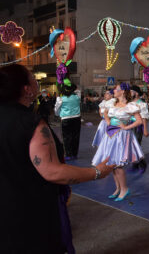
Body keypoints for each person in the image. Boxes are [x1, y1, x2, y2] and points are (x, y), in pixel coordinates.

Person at [0, 64, 115, 254]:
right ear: (26, 89)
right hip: (27, 213)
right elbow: (52, 171)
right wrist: (96, 172)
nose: (37, 83)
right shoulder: (29, 123)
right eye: (32, 79)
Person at [92, 83, 145, 201]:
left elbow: (139, 121)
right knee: (112, 164)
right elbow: (104, 113)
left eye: (116, 89)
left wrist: (126, 127)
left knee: (118, 165)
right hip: (110, 135)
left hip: (121, 136)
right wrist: (108, 122)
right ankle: (118, 188)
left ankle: (124, 189)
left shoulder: (130, 105)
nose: (114, 91)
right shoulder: (112, 103)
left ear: (123, 91)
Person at [54, 82, 82, 160]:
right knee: (75, 136)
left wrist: (59, 114)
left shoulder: (60, 99)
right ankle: (74, 154)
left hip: (65, 119)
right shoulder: (77, 97)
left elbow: (56, 110)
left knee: (66, 137)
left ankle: (68, 154)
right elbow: (77, 90)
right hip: (76, 118)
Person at [129, 85, 149, 173]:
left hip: (138, 127)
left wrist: (145, 129)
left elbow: (144, 117)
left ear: (136, 93)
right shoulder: (129, 103)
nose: (130, 93)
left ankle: (142, 163)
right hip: (130, 126)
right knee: (131, 145)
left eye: (131, 91)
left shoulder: (142, 104)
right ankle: (135, 163)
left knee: (137, 145)